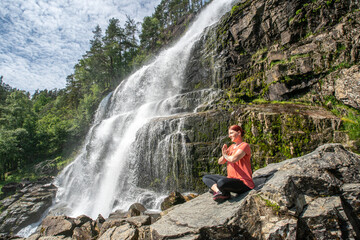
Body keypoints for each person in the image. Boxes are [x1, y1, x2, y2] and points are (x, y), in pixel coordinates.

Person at [202, 125, 254, 201]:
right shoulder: (231, 147)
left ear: (239, 133)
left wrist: (225, 155)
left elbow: (233, 159)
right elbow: (220, 162)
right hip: (231, 180)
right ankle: (219, 192)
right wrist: (224, 155)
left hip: (244, 182)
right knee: (206, 177)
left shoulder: (244, 146)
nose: (229, 136)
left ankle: (222, 191)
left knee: (221, 182)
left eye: (231, 133)